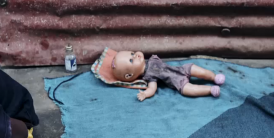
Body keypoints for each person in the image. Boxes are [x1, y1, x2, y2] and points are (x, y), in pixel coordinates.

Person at [91, 47, 226, 100]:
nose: (136, 55)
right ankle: (209, 89)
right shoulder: (149, 76)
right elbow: (152, 88)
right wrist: (145, 94)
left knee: (198, 70)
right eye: (132, 59)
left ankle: (214, 77)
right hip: (177, 82)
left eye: (132, 53)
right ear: (129, 76)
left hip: (182, 69)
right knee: (190, 90)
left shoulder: (152, 59)